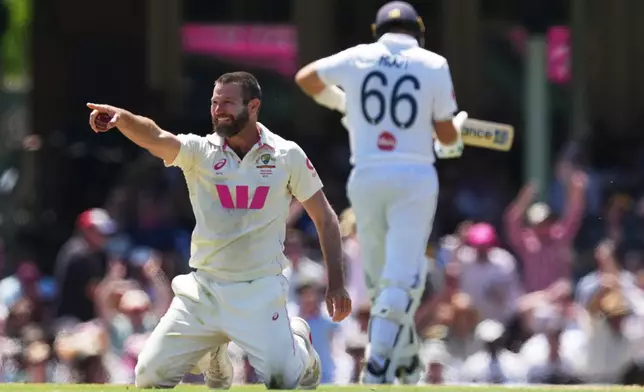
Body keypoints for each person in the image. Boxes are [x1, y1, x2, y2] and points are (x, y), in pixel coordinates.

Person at [86, 71, 352, 389]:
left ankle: (298, 340)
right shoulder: (201, 152)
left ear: (253, 106)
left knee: (284, 381)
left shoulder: (286, 155)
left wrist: (335, 284)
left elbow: (325, 218)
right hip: (203, 290)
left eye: (227, 102)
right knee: (148, 377)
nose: (218, 109)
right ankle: (213, 349)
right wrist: (122, 119)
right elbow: (156, 137)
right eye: (215, 102)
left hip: (259, 290)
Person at [294, 0, 467, 384]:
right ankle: (377, 364)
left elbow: (305, 78)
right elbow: (445, 134)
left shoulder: (359, 56)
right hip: (414, 176)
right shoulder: (432, 63)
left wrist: (344, 104)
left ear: (377, 31)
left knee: (380, 281)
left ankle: (404, 365)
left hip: (366, 177)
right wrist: (454, 136)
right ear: (419, 31)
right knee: (401, 280)